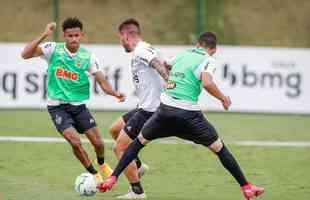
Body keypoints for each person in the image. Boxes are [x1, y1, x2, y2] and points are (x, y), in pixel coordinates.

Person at [97, 32, 265, 200]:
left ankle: (113, 178)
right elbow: (207, 82)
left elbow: (165, 64)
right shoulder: (209, 59)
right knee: (219, 148)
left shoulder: (183, 55)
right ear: (213, 49)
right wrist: (223, 98)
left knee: (138, 142)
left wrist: (176, 79)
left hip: (164, 111)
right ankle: (246, 186)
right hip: (189, 116)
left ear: (198, 45)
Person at [21, 17, 125, 185]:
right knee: (75, 142)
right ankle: (94, 175)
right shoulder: (53, 49)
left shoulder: (88, 57)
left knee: (98, 143)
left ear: (81, 35)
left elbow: (102, 82)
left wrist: (114, 93)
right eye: (70, 36)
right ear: (64, 36)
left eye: (77, 35)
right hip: (57, 108)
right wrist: (44, 35)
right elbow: (25, 54)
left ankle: (102, 164)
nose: (74, 39)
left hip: (79, 107)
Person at [108, 18, 169, 199]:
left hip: (150, 111)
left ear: (125, 35)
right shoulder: (146, 47)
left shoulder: (141, 50)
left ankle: (137, 192)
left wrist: (172, 85)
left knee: (119, 149)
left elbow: (158, 66)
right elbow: (163, 65)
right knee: (115, 130)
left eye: (120, 38)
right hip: (144, 106)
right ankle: (138, 166)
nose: (121, 42)